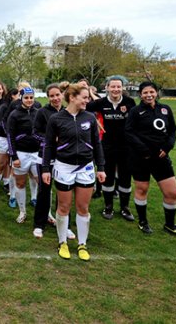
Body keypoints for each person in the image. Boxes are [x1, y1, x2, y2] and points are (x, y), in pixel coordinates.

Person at [42, 84, 106, 261]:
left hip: (86, 168)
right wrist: (46, 169)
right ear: (72, 98)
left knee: (83, 208)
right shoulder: (56, 119)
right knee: (63, 207)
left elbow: (97, 144)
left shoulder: (90, 117)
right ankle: (62, 242)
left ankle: (82, 244)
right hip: (64, 167)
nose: (87, 101)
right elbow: (48, 145)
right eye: (84, 97)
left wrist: (101, 167)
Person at [125, 81, 176, 237]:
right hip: (141, 158)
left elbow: (172, 130)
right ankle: (143, 222)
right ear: (140, 94)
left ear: (156, 93)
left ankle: (170, 225)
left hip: (161, 158)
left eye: (151, 92)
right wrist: (144, 150)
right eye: (145, 92)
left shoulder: (165, 109)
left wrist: (168, 147)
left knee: (172, 192)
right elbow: (129, 132)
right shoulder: (135, 111)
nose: (149, 95)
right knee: (142, 189)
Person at [86, 75, 136, 221]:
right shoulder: (100, 103)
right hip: (106, 146)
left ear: (122, 88)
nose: (116, 89)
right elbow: (83, 107)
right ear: (107, 88)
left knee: (125, 177)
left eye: (118, 86)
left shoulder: (129, 102)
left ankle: (125, 208)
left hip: (126, 147)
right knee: (107, 177)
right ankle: (108, 207)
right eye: (112, 86)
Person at [32, 83, 64, 239]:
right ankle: (39, 224)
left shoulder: (68, 111)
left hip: (64, 159)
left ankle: (63, 224)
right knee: (44, 191)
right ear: (48, 97)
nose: (55, 98)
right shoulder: (42, 112)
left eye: (57, 95)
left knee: (63, 192)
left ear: (62, 95)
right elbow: (35, 133)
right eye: (52, 96)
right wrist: (50, 139)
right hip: (45, 157)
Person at [6, 87, 40, 223]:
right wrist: (14, 157)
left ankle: (46, 213)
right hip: (21, 154)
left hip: (37, 154)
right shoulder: (14, 114)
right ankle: (22, 212)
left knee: (42, 182)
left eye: (31, 97)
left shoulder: (38, 112)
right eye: (26, 97)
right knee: (20, 183)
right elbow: (10, 136)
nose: (29, 100)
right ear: (21, 98)